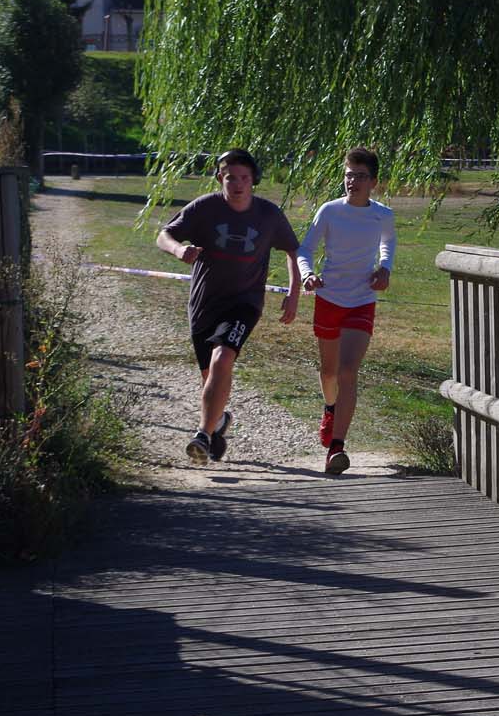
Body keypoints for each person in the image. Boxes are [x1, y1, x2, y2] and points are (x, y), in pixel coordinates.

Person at [155, 149, 301, 463]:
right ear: (220, 178)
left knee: (223, 358)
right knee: (210, 375)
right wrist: (179, 250)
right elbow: (163, 235)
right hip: (204, 303)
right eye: (230, 176)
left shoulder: (268, 215)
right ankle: (218, 421)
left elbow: (293, 251)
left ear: (254, 181)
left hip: (244, 303)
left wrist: (294, 294)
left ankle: (203, 435)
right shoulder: (204, 208)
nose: (237, 184)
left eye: (244, 178)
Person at [297, 147, 396, 475]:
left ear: (374, 182)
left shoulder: (383, 214)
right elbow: (306, 248)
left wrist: (384, 268)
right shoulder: (330, 211)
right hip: (329, 298)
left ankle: (337, 447)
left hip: (362, 300)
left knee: (348, 371)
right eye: (349, 174)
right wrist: (308, 274)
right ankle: (330, 408)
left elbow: (387, 244)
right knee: (329, 373)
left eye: (360, 176)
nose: (352, 181)